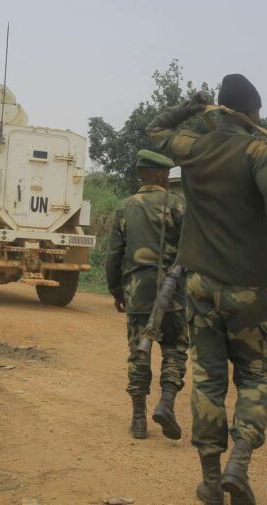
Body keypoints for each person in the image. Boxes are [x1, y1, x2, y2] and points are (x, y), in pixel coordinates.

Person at [147, 74, 267, 505]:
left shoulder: (196, 148)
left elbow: (154, 131)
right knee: (257, 377)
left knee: (208, 381)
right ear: (253, 114)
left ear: (219, 110)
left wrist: (189, 106)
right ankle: (238, 464)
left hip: (200, 285)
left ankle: (209, 480)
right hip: (248, 288)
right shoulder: (257, 149)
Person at [106, 149, 188, 441]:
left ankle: (139, 418)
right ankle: (166, 403)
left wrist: (116, 290)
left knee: (139, 354)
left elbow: (114, 255)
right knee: (175, 350)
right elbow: (192, 251)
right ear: (162, 175)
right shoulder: (178, 205)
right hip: (173, 294)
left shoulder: (124, 207)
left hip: (137, 293)